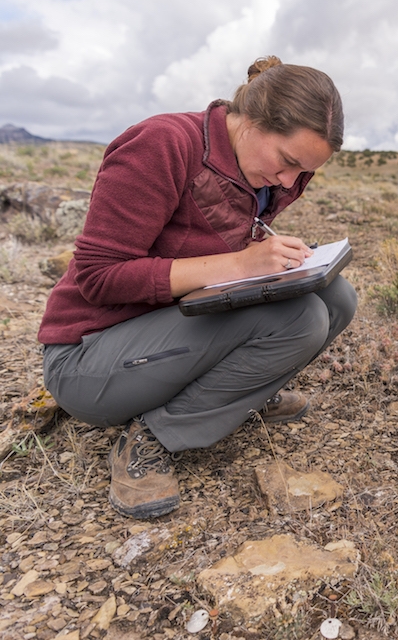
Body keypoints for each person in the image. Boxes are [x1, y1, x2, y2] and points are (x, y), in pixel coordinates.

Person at [37, 56, 357, 520]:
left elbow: (210, 246)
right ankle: (151, 438)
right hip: (88, 359)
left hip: (165, 330)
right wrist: (239, 264)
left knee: (336, 298)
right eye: (288, 162)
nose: (291, 182)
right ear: (251, 121)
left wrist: (270, 263)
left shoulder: (267, 172)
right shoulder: (163, 144)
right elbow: (98, 276)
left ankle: (242, 394)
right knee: (299, 319)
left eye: (305, 172)